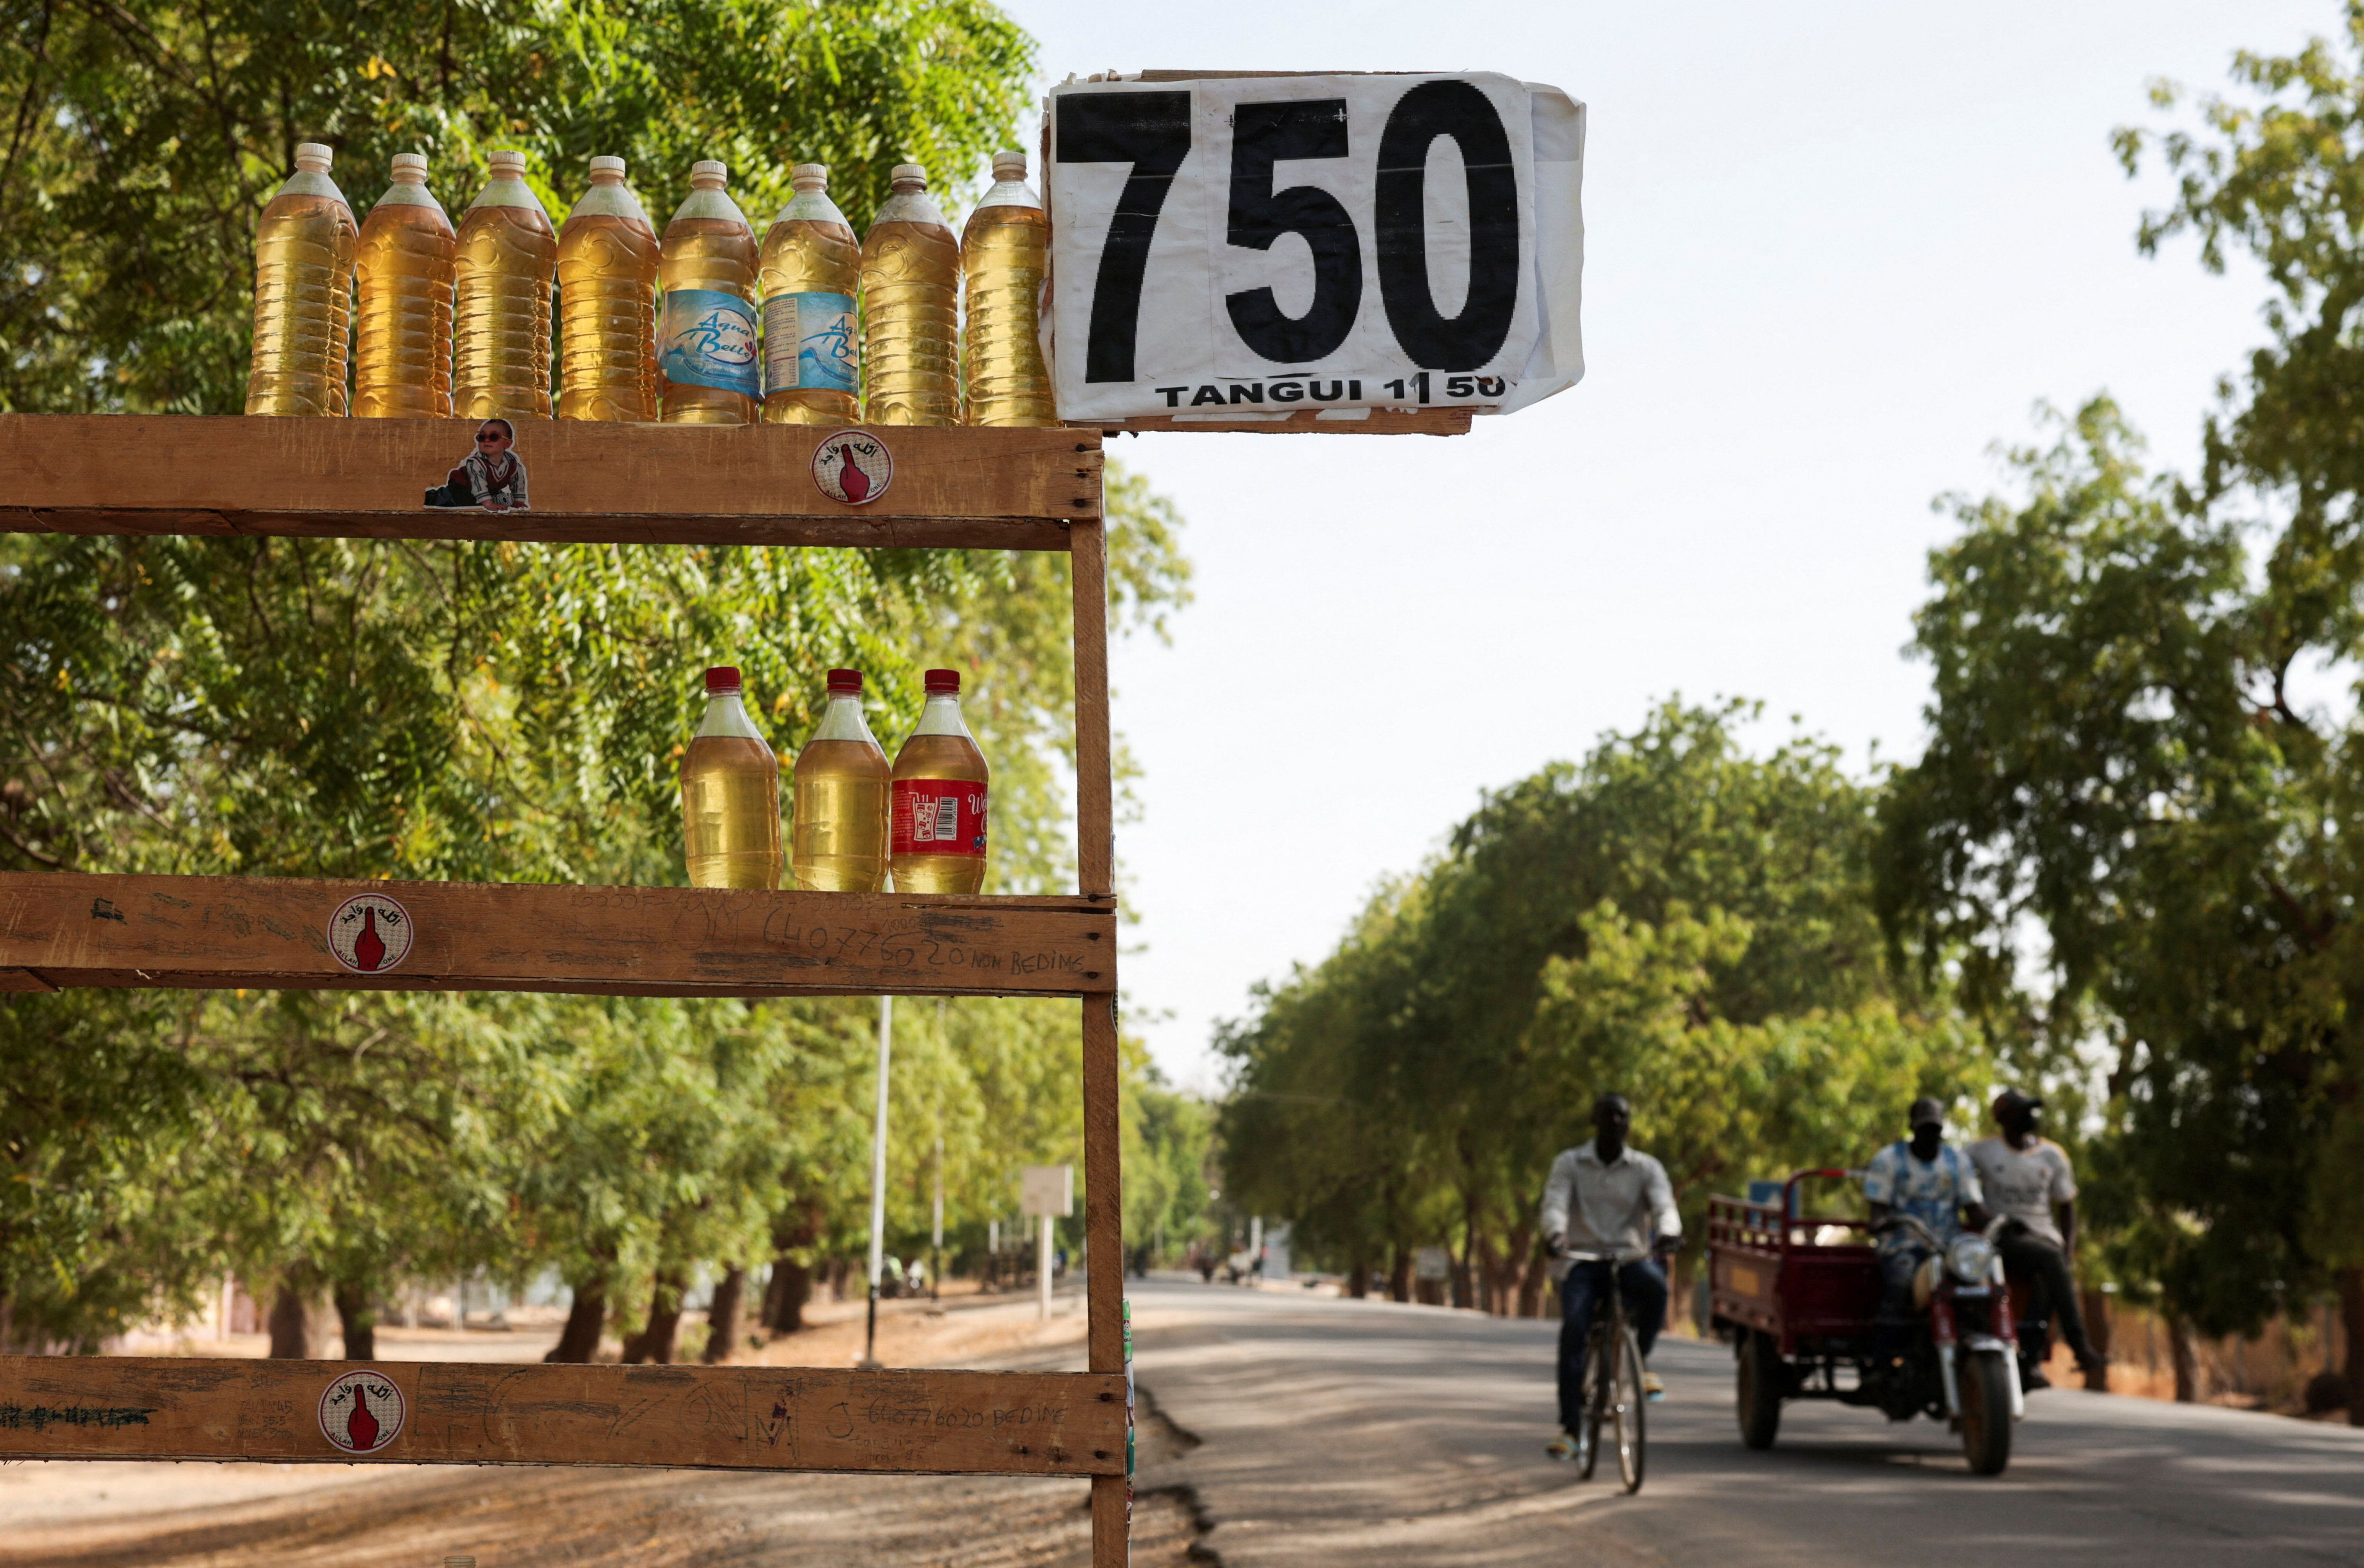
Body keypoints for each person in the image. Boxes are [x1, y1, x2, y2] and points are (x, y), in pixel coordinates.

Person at [1539, 1092, 1680, 1460]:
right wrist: (1555, 1234)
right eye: (1609, 1116)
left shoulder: (1646, 1168)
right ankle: (1571, 1428)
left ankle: (1642, 1362)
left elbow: (1664, 1205)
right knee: (1574, 1328)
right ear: (1594, 1120)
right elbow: (1555, 1203)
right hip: (1583, 1261)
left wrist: (1667, 1231)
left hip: (1629, 1258)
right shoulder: (1570, 1164)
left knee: (1655, 1286)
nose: (1617, 1123)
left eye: (1623, 1117)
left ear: (1629, 1124)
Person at [1968, 1089, 2107, 1384]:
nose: (2031, 1117)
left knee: (2049, 1274)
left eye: (2033, 1110)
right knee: (2049, 1259)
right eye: (2023, 1111)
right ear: (2003, 1118)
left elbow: (2067, 1207)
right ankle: (2079, 1346)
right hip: (2004, 1237)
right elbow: (1948, 1168)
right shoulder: (1981, 1151)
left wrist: (2068, 1252)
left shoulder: (2052, 1155)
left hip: (2046, 1241)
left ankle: (2029, 1362)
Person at [1863, 1096, 1986, 1364]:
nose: (1931, 1135)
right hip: (1903, 1246)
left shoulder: (1958, 1162)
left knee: (1981, 1288)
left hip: (1949, 1251)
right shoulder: (1890, 1159)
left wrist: (2003, 1222)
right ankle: (1882, 1361)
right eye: (1925, 1128)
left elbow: (1975, 1208)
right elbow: (1878, 1212)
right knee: (1901, 1285)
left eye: (1936, 1129)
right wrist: (1883, 1222)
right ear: (1912, 1127)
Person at [460, 419, 530, 511]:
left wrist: (518, 500)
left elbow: (518, 482)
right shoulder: (476, 463)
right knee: (447, 501)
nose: (487, 440)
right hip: (459, 490)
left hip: (488, 493)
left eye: (494, 437)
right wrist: (489, 504)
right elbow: (478, 485)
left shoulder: (513, 464)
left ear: (508, 444)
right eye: (482, 437)